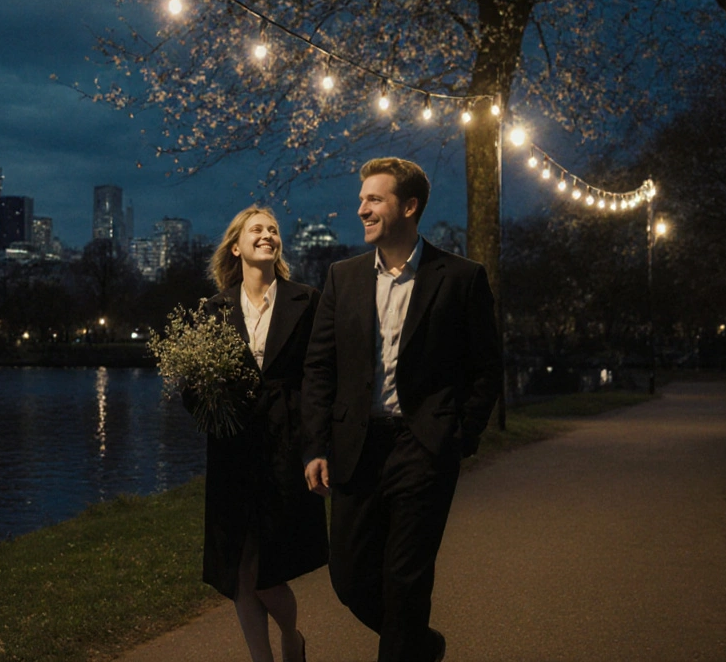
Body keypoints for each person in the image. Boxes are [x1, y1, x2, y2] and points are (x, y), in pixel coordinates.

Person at [302, 158, 502, 662]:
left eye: (374, 199)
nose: (361, 208)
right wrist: (316, 446)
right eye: (362, 198)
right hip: (356, 448)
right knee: (348, 578)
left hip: (423, 448)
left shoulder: (460, 278)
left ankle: (405, 644)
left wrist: (459, 438)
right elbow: (320, 369)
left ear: (409, 206)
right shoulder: (341, 277)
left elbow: (486, 369)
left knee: (406, 581)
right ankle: (421, 644)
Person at [188, 205, 328, 662]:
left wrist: (315, 447)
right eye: (256, 229)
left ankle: (292, 636)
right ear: (237, 246)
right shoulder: (214, 309)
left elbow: (318, 379)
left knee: (269, 571)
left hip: (285, 445)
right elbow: (194, 387)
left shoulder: (306, 300)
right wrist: (210, 404)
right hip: (232, 452)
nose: (266, 234)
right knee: (240, 573)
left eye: (272, 229)